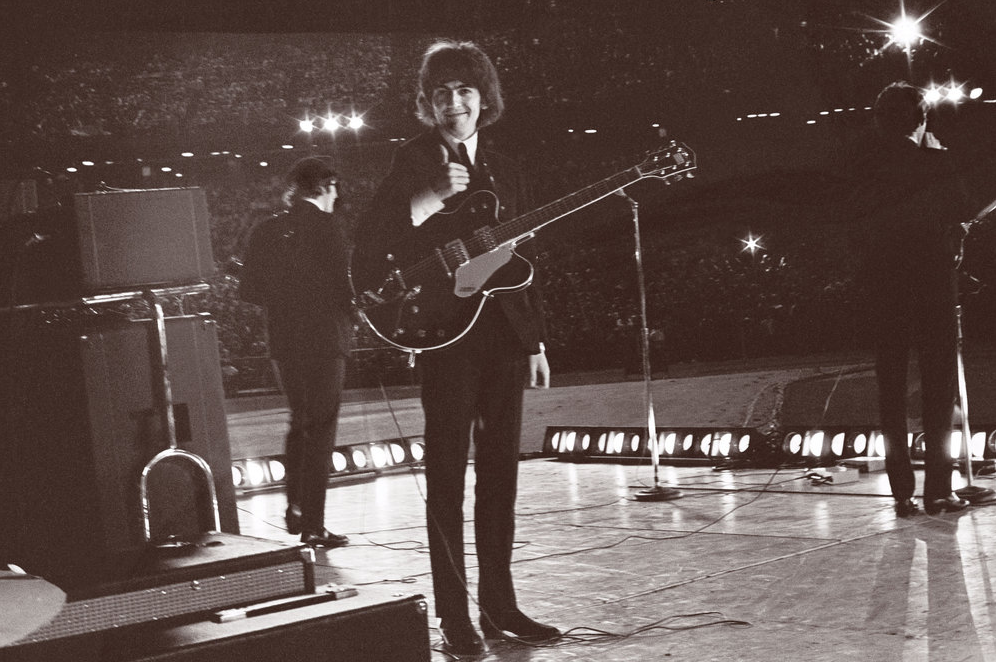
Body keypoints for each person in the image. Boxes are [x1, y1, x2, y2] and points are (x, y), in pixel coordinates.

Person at [357, 40, 559, 656]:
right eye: (442, 93)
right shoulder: (412, 160)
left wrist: (534, 340)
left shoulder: (507, 165)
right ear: (428, 102)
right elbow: (370, 245)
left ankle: (500, 606)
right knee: (446, 479)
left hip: (504, 339)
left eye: (465, 91)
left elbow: (525, 260)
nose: (454, 103)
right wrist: (425, 199)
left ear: (482, 97)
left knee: (500, 477)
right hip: (446, 339)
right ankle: (454, 617)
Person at [851, 81, 973, 517]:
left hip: (885, 289)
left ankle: (901, 492)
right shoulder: (934, 160)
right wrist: (938, 155)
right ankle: (938, 490)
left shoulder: (862, 168)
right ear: (921, 120)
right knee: (938, 389)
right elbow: (962, 208)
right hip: (931, 285)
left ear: (880, 122)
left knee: (891, 388)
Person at [239, 156, 352, 548]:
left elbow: (249, 290)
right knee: (321, 429)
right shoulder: (328, 227)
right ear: (326, 186)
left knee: (300, 422)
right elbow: (345, 288)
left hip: (285, 341)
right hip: (325, 340)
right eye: (335, 188)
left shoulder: (267, 229)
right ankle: (313, 523)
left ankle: (296, 506)